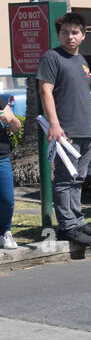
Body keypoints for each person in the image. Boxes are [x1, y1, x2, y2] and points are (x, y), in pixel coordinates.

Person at [37, 11, 91, 247]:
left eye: (75, 32)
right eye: (65, 32)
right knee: (65, 180)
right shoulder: (51, 58)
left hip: (84, 130)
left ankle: (78, 220)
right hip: (65, 132)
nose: (70, 36)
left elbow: (83, 96)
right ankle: (67, 226)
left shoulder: (82, 61)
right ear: (59, 34)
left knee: (78, 178)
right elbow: (46, 90)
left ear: (83, 35)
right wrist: (54, 124)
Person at [1, 97, 19, 249]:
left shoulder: (1, 101)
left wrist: (10, 119)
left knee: (7, 199)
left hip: (1, 157)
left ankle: (5, 231)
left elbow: (17, 127)